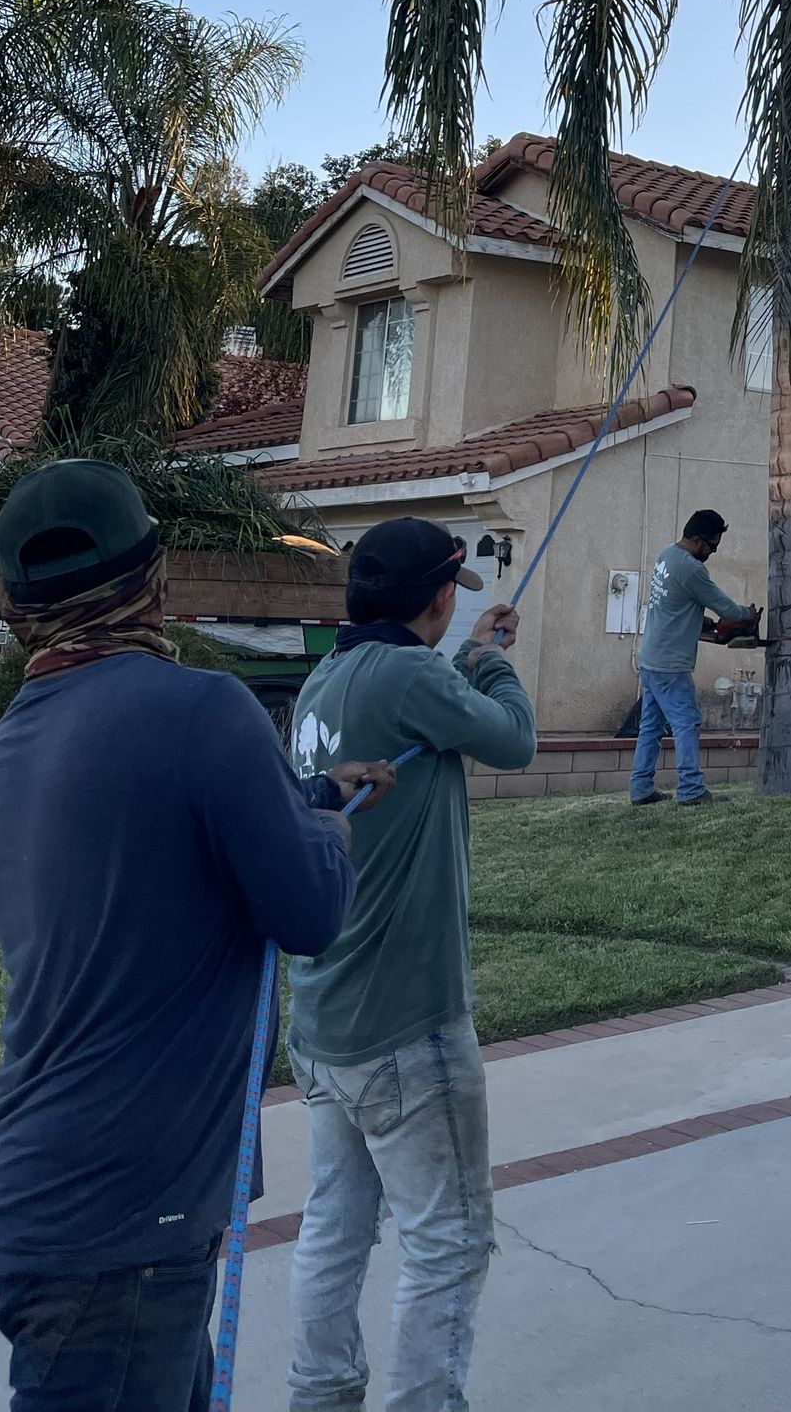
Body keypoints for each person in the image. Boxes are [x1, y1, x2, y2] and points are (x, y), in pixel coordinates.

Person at [0, 458, 384, 1412]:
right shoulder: (204, 709)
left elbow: (151, 838)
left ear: (27, 610)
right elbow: (311, 912)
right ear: (155, 579)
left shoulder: (17, 746)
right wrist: (330, 828)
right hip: (131, 1225)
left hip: (55, 1200)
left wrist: (307, 792)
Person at [285, 516, 536, 1412]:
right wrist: (496, 660)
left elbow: (436, 700)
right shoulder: (407, 675)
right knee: (450, 1241)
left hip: (322, 1025)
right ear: (435, 597)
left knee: (335, 1228)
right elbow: (513, 739)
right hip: (406, 1027)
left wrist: (463, 657)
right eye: (453, 596)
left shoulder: (326, 680)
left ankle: (320, 1396)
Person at [630, 508, 757, 807]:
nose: (712, 552)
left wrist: (702, 624)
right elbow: (725, 607)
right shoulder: (691, 568)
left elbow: (675, 605)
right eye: (712, 546)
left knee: (650, 727)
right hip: (671, 667)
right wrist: (747, 616)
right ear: (698, 540)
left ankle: (640, 789)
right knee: (687, 723)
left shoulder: (665, 556)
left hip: (650, 659)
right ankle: (690, 790)